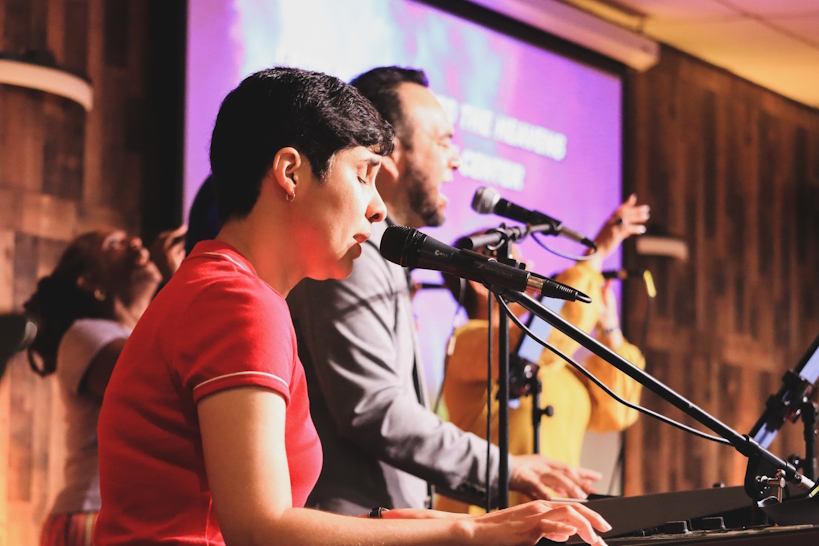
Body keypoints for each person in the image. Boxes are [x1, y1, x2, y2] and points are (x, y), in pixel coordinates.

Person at [94, 67, 610, 546]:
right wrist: (466, 534)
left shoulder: (226, 287)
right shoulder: (237, 301)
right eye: (364, 174)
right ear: (290, 172)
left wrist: (464, 523)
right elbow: (260, 528)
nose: (378, 205)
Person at [287, 66, 602, 515]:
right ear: (386, 154)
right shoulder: (352, 256)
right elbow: (373, 409)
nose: (456, 159)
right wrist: (506, 469)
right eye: (442, 141)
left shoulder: (384, 256)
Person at [436, 197, 649, 514]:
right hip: (488, 527)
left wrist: (610, 328)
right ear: (479, 285)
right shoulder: (467, 342)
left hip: (552, 523)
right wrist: (596, 256)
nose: (530, 271)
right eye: (517, 264)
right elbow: (542, 337)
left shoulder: (550, 361)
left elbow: (618, 412)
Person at [23, 225, 185, 546]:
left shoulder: (141, 336)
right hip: (94, 517)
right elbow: (161, 385)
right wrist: (184, 283)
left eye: (131, 238)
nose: (136, 242)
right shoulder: (83, 336)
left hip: (128, 518)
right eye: (115, 244)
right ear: (90, 281)